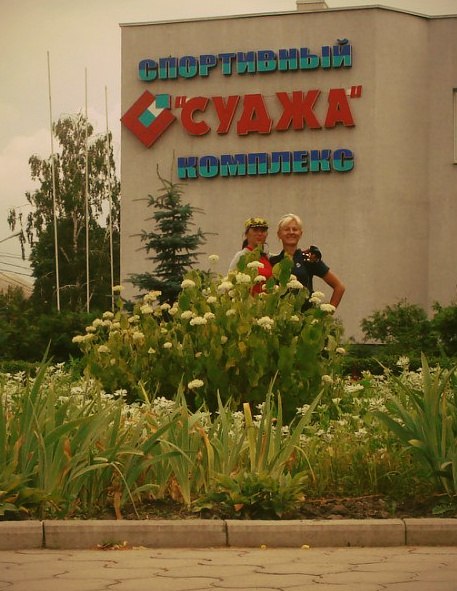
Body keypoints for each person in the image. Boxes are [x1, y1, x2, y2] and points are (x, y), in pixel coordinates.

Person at [269, 213, 345, 308]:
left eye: (295, 229)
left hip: (304, 315)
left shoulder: (309, 259)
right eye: (287, 229)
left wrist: (328, 312)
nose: (291, 232)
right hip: (279, 315)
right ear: (279, 234)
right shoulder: (273, 261)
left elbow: (339, 287)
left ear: (300, 234)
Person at [228, 217, 273, 294]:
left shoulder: (268, 258)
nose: (259, 234)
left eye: (263, 231)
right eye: (255, 230)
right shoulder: (241, 256)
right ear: (246, 234)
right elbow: (230, 283)